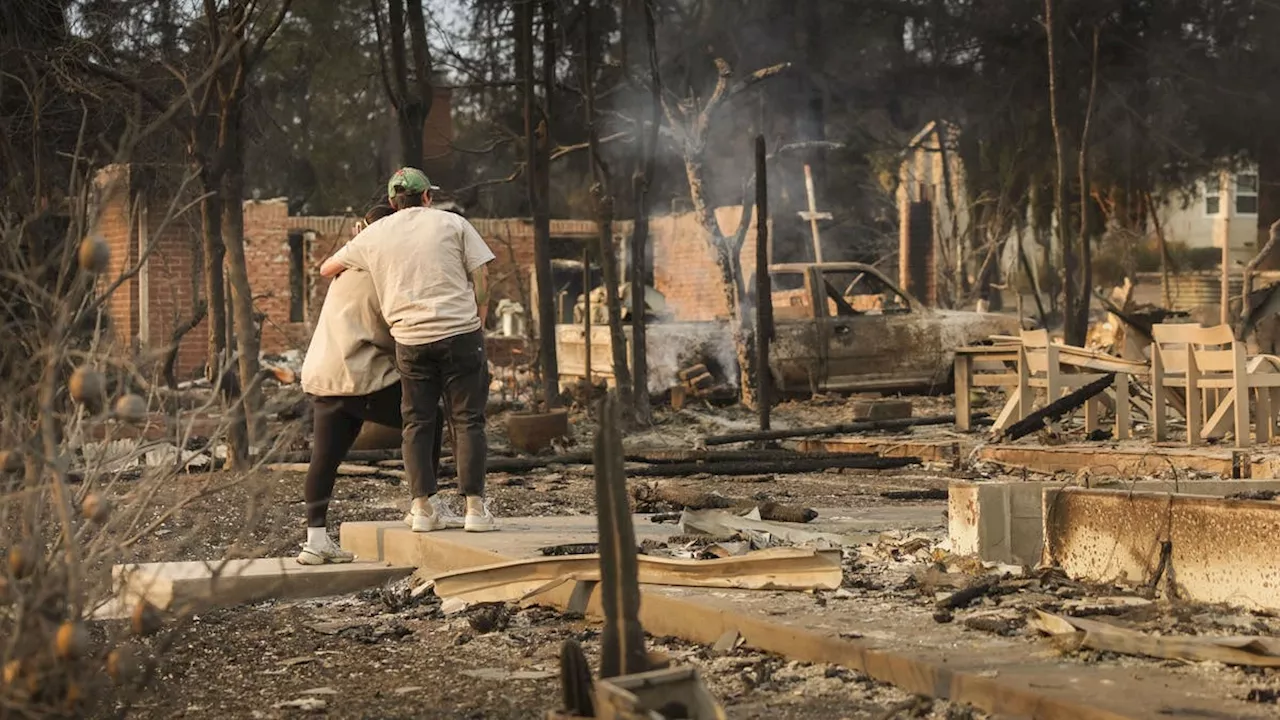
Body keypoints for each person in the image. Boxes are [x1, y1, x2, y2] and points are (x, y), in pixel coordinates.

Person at [321, 168, 497, 533]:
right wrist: (479, 321)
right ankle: (475, 510)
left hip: (411, 340)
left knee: (417, 422)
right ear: (427, 197)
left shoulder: (376, 234)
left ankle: (421, 509)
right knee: (468, 421)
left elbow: (327, 269)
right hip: (461, 334)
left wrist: (361, 246)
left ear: (391, 202)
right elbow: (482, 276)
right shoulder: (453, 223)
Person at [295, 204, 448, 564]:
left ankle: (315, 540)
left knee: (325, 457)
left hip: (325, 373)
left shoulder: (347, 268)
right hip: (358, 374)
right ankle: (423, 504)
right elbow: (395, 330)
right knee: (428, 419)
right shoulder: (382, 271)